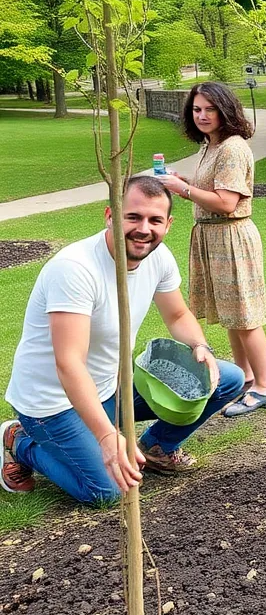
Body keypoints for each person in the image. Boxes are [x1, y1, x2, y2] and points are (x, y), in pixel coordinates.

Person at [0, 177, 245, 503]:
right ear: (110, 216)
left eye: (155, 220)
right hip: (52, 404)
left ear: (168, 225)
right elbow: (69, 363)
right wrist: (107, 436)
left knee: (226, 379)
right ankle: (19, 440)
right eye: (134, 217)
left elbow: (177, 316)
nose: (144, 229)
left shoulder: (158, 258)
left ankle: (156, 447)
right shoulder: (74, 269)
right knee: (107, 491)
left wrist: (201, 347)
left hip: (108, 389)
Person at [157, 82, 266, 416]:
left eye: (210, 109)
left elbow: (226, 202)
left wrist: (183, 189)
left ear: (225, 109)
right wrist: (184, 183)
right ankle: (245, 380)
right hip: (212, 237)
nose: (202, 116)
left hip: (231, 236)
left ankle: (264, 386)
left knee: (245, 315)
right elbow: (212, 189)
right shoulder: (211, 146)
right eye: (197, 110)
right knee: (230, 315)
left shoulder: (233, 148)